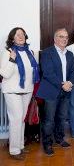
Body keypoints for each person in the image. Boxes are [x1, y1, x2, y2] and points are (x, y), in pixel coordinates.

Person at [0, 27, 39, 160]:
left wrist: (32, 89)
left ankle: (20, 146)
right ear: (12, 38)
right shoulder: (8, 52)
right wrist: (12, 59)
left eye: (22, 34)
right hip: (12, 92)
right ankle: (14, 151)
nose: (21, 36)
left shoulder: (29, 52)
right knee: (16, 120)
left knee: (21, 120)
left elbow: (32, 74)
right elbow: (4, 73)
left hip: (27, 91)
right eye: (17, 34)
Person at [37, 28, 74, 156]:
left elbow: (73, 71)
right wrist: (62, 84)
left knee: (62, 118)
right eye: (61, 36)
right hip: (51, 92)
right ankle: (47, 143)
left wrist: (70, 82)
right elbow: (48, 73)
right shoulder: (47, 53)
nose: (64, 39)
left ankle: (59, 138)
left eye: (66, 37)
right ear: (55, 39)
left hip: (66, 92)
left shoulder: (69, 54)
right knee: (49, 120)